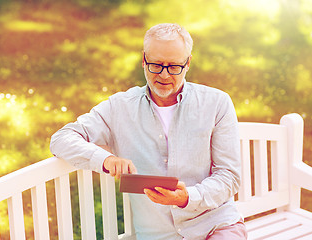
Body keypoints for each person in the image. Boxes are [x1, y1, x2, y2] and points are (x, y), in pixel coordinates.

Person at [50, 23, 247, 240]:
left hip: (215, 226)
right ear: (144, 60)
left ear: (188, 63)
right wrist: (105, 159)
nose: (163, 75)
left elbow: (229, 176)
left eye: (173, 67)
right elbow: (61, 139)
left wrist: (187, 197)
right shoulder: (120, 107)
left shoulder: (216, 103)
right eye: (156, 65)